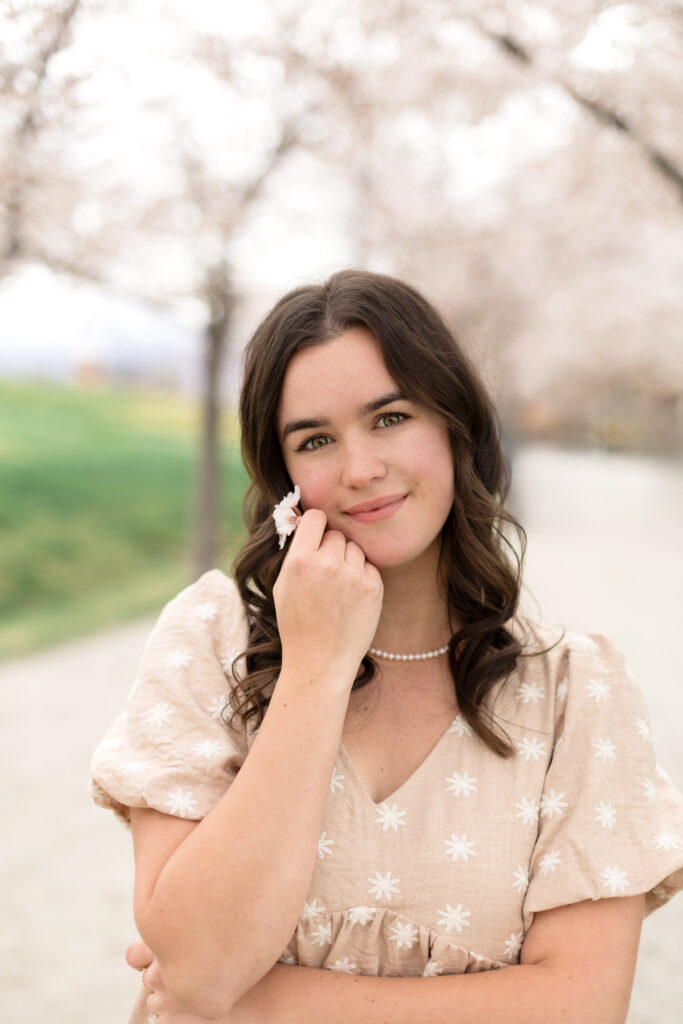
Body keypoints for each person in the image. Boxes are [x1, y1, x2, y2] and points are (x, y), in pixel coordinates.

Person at [90, 268, 683, 1024]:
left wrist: (265, 1003)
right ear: (285, 479)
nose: (361, 469)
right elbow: (203, 969)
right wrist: (314, 670)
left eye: (390, 418)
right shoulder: (209, 640)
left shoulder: (573, 690)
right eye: (315, 439)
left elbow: (580, 1003)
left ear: (453, 424)